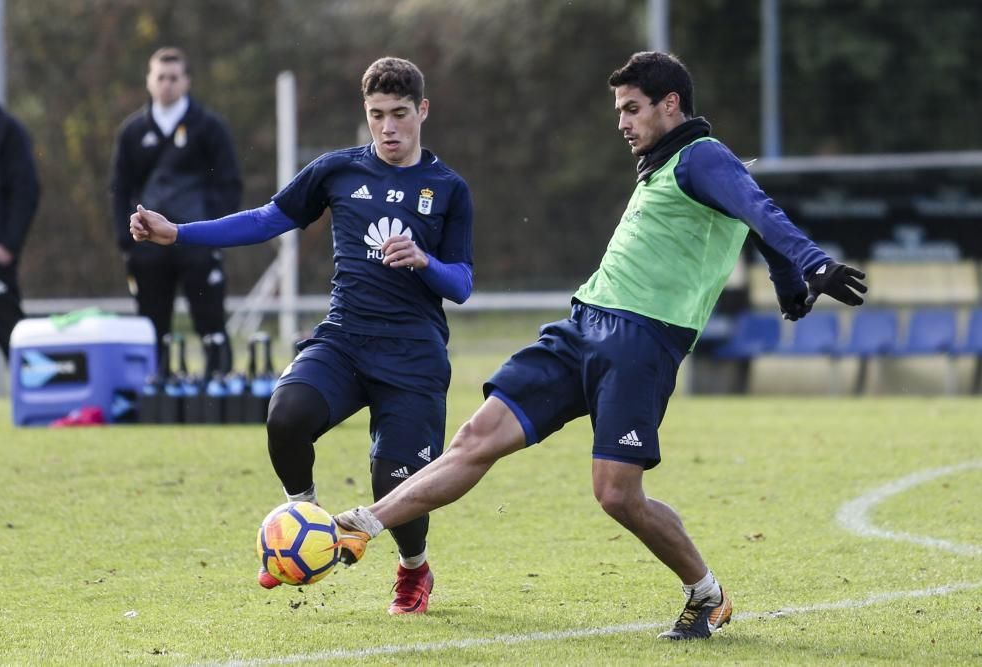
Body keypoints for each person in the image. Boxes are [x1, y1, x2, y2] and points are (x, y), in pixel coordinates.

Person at [331, 51, 867, 639]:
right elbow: (749, 212)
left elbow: (758, 209)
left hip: (642, 343)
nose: (622, 122)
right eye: (619, 110)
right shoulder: (668, 163)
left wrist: (809, 265)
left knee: (617, 495)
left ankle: (707, 594)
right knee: (474, 439)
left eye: (633, 109)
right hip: (581, 326)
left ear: (671, 105)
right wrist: (788, 279)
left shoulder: (702, 157)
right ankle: (364, 523)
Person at [129, 57, 474, 614]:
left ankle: (414, 569)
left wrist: (424, 261)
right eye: (377, 115)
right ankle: (304, 521)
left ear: (422, 111)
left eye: (400, 115)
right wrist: (179, 233)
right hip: (344, 338)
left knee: (396, 485)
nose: (388, 128)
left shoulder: (448, 189)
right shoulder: (338, 171)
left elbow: (461, 283)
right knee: (285, 415)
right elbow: (268, 219)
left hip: (413, 355)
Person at [111, 47, 241, 377]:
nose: (167, 84)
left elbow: (229, 184)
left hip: (196, 244)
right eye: (160, 77)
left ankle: (218, 387)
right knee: (152, 326)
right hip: (148, 249)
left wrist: (214, 231)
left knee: (210, 319)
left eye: (174, 77)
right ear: (149, 81)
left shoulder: (209, 127)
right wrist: (127, 240)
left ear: (186, 81)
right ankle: (155, 393)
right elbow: (120, 188)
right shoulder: (132, 132)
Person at [0, 63, 40, 359]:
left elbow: (26, 191)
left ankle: (39, 405)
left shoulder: (6, 130)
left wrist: (8, 244)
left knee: (19, 351)